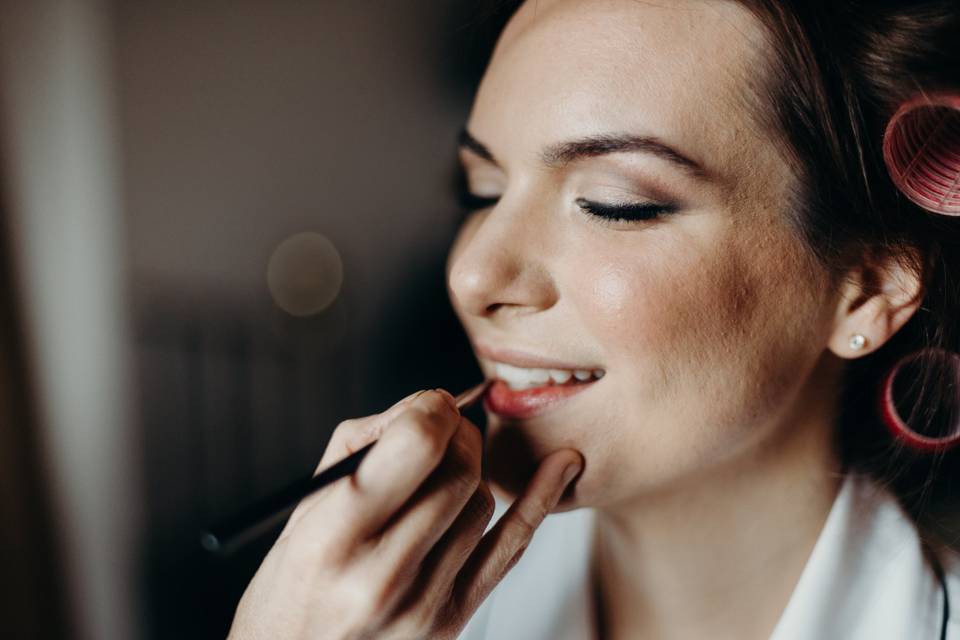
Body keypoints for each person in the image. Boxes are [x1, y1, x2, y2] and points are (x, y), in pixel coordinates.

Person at [226, 1, 960, 638]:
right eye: (481, 192)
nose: (472, 274)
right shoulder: (384, 614)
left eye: (612, 203)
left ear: (867, 289)